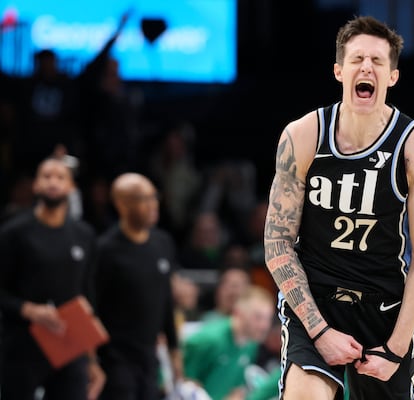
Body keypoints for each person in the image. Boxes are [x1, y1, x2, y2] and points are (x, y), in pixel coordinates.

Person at [263, 15, 414, 400]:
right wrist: (319, 331)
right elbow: (277, 243)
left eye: (377, 61)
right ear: (339, 70)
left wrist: (395, 349)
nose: (367, 68)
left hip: (384, 307)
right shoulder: (304, 134)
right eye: (358, 59)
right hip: (317, 299)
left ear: (392, 76)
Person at [0, 157, 105, 400]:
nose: (53, 182)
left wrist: (91, 358)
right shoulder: (13, 233)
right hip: (23, 343)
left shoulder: (84, 234)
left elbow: (87, 295)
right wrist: (29, 310)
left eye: (60, 177)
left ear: (71, 187)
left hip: (70, 343)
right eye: (46, 176)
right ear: (35, 185)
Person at [94, 172, 183, 400]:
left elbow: (165, 300)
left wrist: (174, 349)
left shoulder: (162, 242)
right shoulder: (105, 250)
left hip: (149, 356)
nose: (153, 204)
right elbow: (92, 307)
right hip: (114, 358)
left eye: (154, 197)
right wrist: (91, 359)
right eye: (144, 199)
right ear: (122, 205)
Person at [183, 285, 276, 400]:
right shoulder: (208, 340)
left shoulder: (252, 343)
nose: (264, 326)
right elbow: (184, 382)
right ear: (238, 313)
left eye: (268, 318)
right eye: (257, 317)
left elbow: (236, 389)